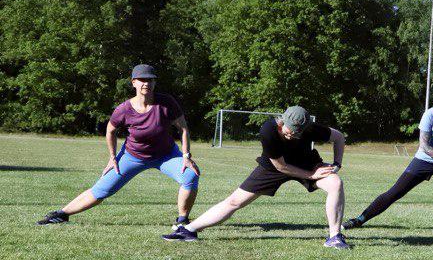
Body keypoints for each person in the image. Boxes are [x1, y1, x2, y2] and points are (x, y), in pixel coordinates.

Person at [161, 106, 349, 248]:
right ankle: (189, 230)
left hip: (306, 162)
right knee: (235, 201)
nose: (294, 134)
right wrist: (311, 175)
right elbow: (281, 166)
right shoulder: (268, 131)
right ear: (281, 122)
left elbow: (339, 137)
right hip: (274, 166)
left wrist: (336, 164)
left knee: (335, 183)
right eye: (291, 130)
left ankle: (334, 237)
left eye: (299, 132)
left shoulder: (308, 128)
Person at [37, 64, 200, 227]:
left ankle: (182, 221)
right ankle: (62, 214)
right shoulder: (124, 109)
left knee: (190, 176)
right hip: (133, 156)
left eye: (150, 80)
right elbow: (110, 131)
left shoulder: (167, 103)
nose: (146, 84)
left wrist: (186, 156)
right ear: (133, 82)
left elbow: (183, 129)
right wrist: (113, 157)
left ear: (155, 83)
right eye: (142, 80)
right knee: (102, 190)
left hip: (166, 155)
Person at [342, 80, 433, 236]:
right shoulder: (430, 114)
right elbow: (425, 147)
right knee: (394, 193)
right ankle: (359, 220)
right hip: (425, 160)